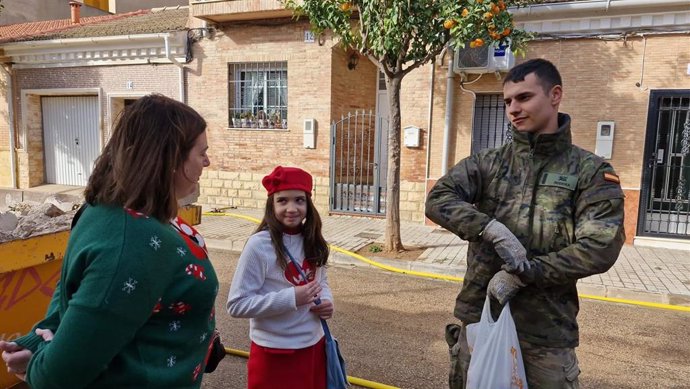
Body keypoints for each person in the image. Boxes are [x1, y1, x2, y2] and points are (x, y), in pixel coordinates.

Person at [425, 58, 625, 389]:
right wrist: (489, 228)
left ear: (555, 95)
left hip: (544, 332)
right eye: (507, 102)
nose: (513, 109)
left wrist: (526, 273)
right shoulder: (488, 163)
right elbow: (438, 199)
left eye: (524, 98)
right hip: (480, 319)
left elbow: (600, 246)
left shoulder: (589, 171)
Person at [0, 94, 217, 388]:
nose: (207, 161)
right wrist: (39, 363)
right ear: (171, 158)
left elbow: (73, 293)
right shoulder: (136, 241)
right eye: (201, 152)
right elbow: (58, 375)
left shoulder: (110, 211)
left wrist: (37, 339)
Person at [227, 166, 333, 389]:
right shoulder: (258, 246)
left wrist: (326, 301)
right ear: (271, 204)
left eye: (299, 200)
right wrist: (291, 298)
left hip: (314, 346)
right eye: (282, 200)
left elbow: (321, 282)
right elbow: (236, 305)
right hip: (273, 352)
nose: (292, 208)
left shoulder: (314, 241)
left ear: (308, 204)